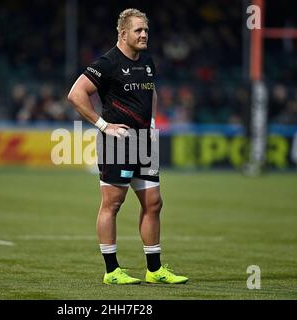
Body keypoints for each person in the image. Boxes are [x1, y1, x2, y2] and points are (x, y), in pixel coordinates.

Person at [67, 8, 188, 285]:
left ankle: (155, 270)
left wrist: (154, 123)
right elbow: (76, 94)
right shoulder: (107, 62)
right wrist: (103, 126)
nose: (144, 34)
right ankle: (112, 271)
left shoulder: (147, 60)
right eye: (138, 30)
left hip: (144, 141)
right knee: (113, 203)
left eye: (146, 30)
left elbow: (150, 91)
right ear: (123, 34)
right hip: (117, 142)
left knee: (154, 203)